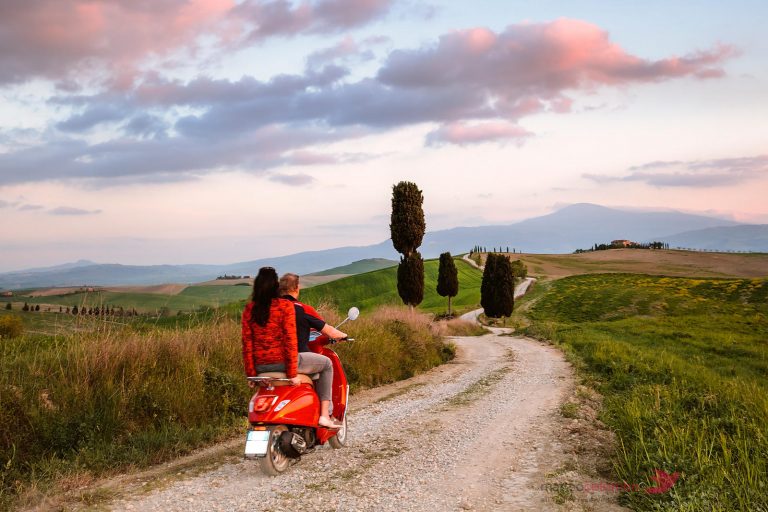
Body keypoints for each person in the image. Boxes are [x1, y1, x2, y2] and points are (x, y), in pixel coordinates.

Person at [241, 267, 342, 429]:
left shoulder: (249, 310)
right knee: (327, 364)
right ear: (275, 286)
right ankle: (324, 415)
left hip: (260, 367)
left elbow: (247, 344)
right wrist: (292, 373)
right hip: (285, 363)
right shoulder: (284, 306)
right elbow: (290, 342)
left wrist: (251, 374)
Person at [278, 272, 347, 353]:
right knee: (327, 362)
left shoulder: (271, 308)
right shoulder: (303, 309)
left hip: (272, 358)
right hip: (298, 357)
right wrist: (344, 336)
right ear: (296, 288)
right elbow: (330, 332)